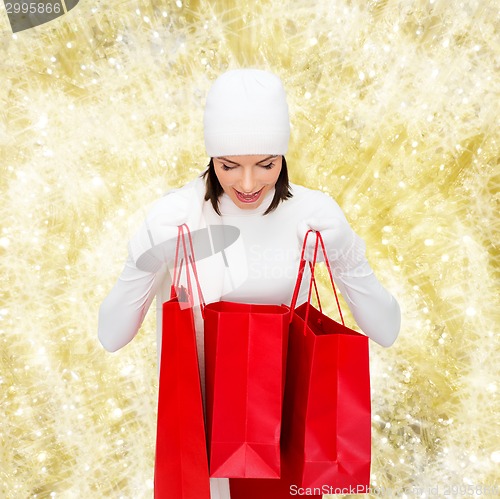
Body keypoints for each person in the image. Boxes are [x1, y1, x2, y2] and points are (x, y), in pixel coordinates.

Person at [98, 68, 401, 499]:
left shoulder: (314, 214)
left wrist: (349, 255)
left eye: (266, 164)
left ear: (283, 154)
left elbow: (386, 330)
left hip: (292, 436)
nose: (247, 183)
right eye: (229, 165)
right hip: (203, 445)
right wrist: (142, 257)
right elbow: (111, 337)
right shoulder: (179, 217)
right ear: (211, 156)